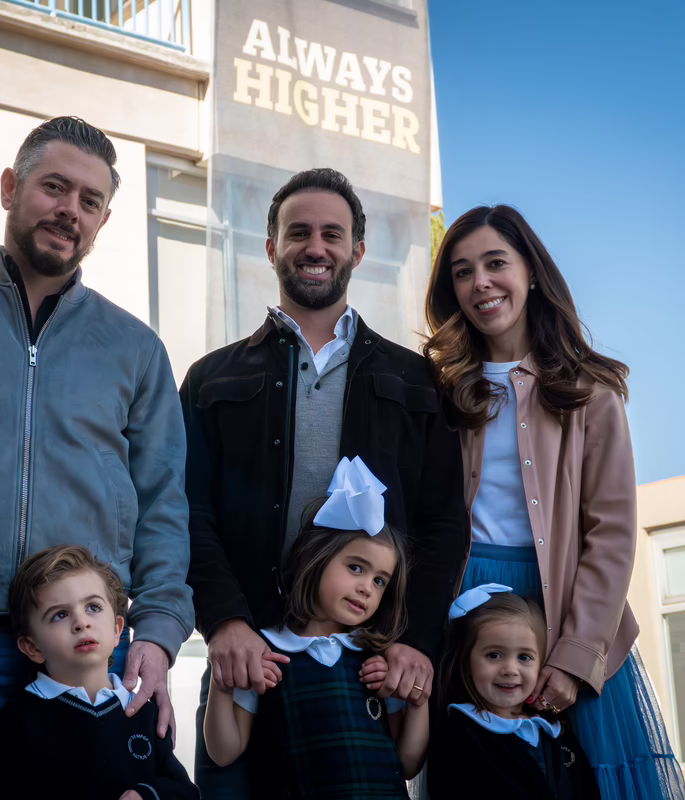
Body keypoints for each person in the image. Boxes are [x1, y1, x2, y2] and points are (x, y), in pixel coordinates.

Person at [0, 116, 193, 797]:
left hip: (89, 641)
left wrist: (156, 632)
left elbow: (163, 502)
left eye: (90, 201)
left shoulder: (136, 347)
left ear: (103, 220)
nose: (71, 210)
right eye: (54, 187)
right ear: (11, 187)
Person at [182, 167, 466, 794]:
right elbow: (188, 513)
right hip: (247, 660)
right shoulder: (211, 380)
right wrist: (224, 622)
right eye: (299, 232)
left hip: (367, 668)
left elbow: (444, 524)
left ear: (357, 251)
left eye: (332, 234)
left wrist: (416, 640)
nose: (316, 246)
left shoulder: (417, 381)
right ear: (271, 247)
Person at [422, 205, 685, 799]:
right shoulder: (440, 390)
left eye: (496, 264)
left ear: (532, 274)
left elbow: (611, 533)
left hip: (566, 605)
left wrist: (573, 656)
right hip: (465, 610)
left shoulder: (591, 391)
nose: (480, 283)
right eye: (462, 272)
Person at [202, 457, 428, 798]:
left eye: (380, 580)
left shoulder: (379, 660)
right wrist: (221, 687)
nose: (367, 588)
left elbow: (408, 763)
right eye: (356, 568)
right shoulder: (267, 653)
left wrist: (419, 702)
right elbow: (224, 752)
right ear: (317, 559)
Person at [0, 545, 197, 800]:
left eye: (93, 607)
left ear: (117, 630)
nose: (81, 622)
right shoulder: (15, 722)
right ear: (32, 647)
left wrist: (147, 795)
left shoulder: (144, 714)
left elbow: (186, 791)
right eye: (60, 615)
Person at [429, 584, 599, 800]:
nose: (510, 669)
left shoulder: (557, 733)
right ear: (466, 663)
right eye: (494, 655)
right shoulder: (459, 733)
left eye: (524, 657)